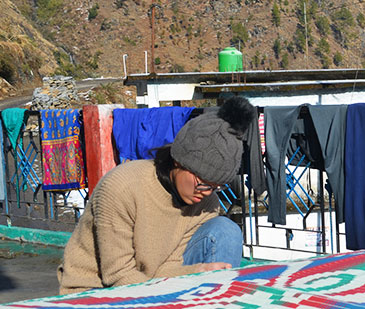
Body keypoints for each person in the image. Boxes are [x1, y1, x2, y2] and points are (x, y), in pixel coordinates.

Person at [57, 96, 255, 295]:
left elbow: (168, 267)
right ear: (179, 161)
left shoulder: (206, 202)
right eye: (202, 183)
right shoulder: (122, 187)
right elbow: (118, 276)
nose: (205, 194)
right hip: (96, 289)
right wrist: (184, 285)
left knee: (226, 230)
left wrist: (195, 273)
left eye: (215, 187)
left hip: (153, 279)